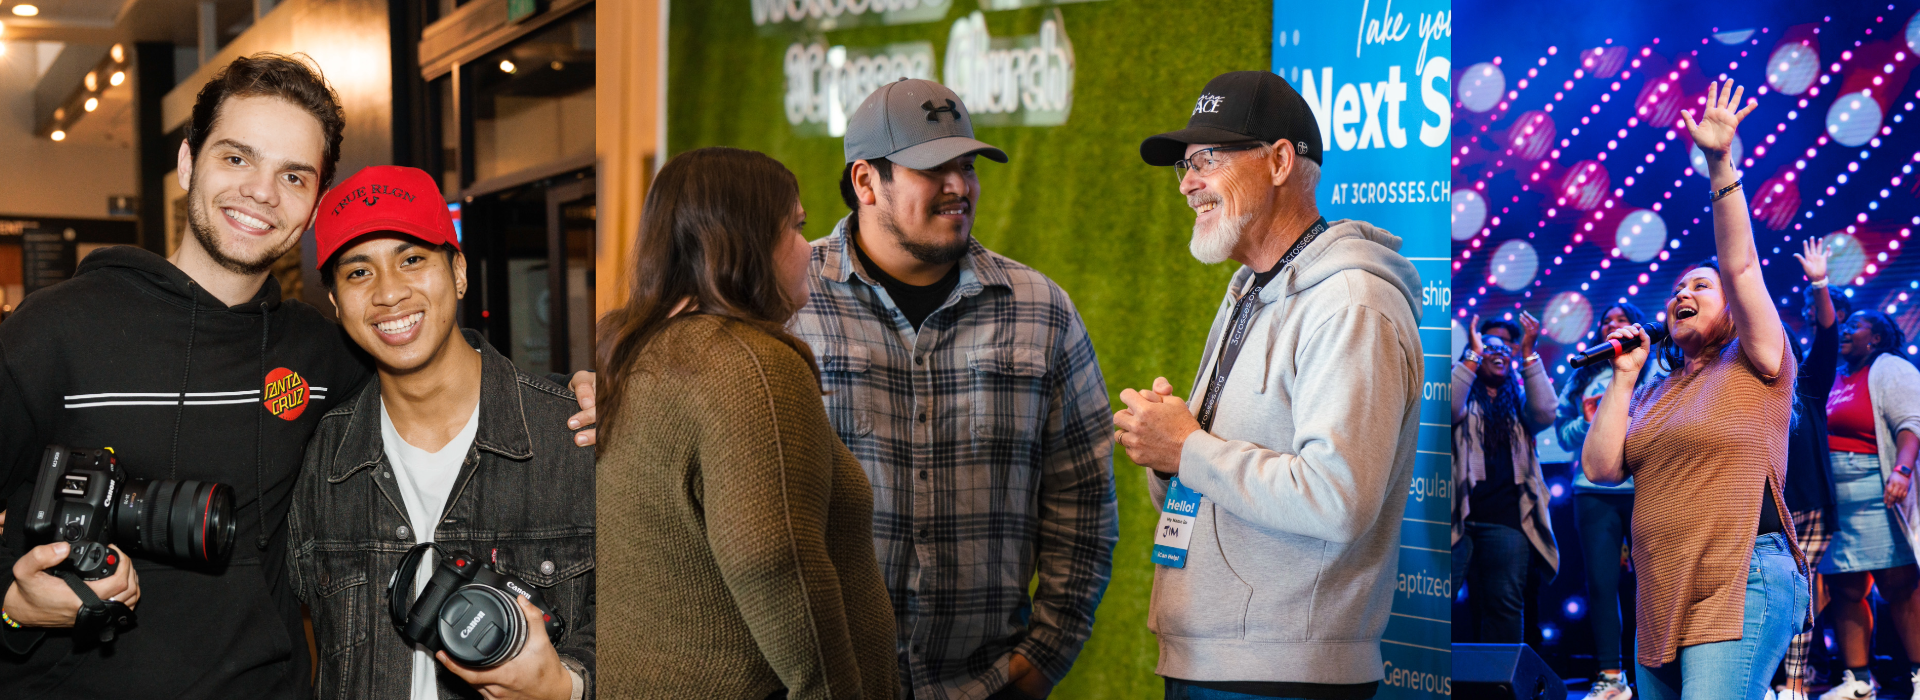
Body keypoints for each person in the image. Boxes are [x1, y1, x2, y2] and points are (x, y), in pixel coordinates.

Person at [0, 54, 595, 699]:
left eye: (293, 175)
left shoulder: (320, 353)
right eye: (237, 158)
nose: (262, 192)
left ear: (314, 203)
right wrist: (12, 606)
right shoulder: (55, 333)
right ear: (187, 162)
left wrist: (588, 395)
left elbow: (437, 367)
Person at [788, 79, 1118, 700]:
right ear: (866, 181)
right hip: (825, 683)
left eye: (967, 166)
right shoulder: (786, 297)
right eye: (932, 168)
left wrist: (1045, 656)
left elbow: (1083, 497)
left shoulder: (1041, 308)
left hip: (986, 684)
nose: (959, 187)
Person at [1115, 70, 1425, 700]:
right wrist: (1170, 453)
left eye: (1207, 159)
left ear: (1280, 161)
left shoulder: (1351, 303)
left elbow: (1337, 499)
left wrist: (1188, 448)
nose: (1188, 183)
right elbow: (1215, 478)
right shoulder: (1250, 290)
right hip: (1215, 660)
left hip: (1281, 675)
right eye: (1184, 165)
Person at [596, 147, 897, 699]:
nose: (809, 249)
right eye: (796, 227)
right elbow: (773, 560)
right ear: (747, 240)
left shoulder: (636, 351)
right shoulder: (751, 365)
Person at [287, 166, 595, 700]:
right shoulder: (317, 462)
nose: (389, 292)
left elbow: (651, 618)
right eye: (358, 272)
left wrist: (567, 686)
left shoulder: (575, 436)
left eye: (412, 260)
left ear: (458, 271)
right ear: (335, 304)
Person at [1581, 79, 1808, 700]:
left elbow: (1740, 266)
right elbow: (1601, 468)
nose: (1683, 293)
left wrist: (1719, 162)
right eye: (1677, 288)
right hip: (1660, 591)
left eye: (1700, 287)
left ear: (1734, 307)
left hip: (1741, 576)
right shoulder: (1654, 389)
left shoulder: (1757, 360)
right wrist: (1624, 375)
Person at [1815, 307, 1920, 700]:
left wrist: (1902, 471)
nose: (1844, 331)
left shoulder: (1891, 368)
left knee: (1898, 584)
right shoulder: (1836, 375)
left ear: (1875, 338)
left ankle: (1919, 675)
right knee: (1845, 587)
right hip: (1836, 498)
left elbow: (1912, 423)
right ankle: (1858, 682)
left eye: (1854, 326)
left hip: (1878, 489)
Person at [1556, 302, 1652, 700]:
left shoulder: (1656, 367)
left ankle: (1654, 675)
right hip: (1592, 492)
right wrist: (1588, 420)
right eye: (1605, 321)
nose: (1611, 325)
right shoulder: (1583, 375)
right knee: (1600, 584)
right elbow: (1563, 436)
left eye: (1621, 320)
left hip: (1645, 486)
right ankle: (1611, 678)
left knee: (1654, 584)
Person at [1453, 312, 1561, 644]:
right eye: (1489, 347)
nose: (1499, 352)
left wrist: (1529, 353)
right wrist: (1473, 356)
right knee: (1436, 602)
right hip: (1457, 517)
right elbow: (1448, 409)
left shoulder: (1519, 400)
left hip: (1507, 520)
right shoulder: (1462, 390)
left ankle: (1501, 678)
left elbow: (1546, 412)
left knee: (1504, 609)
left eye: (1505, 349)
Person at [1772, 241, 1844, 700]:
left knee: (1800, 593)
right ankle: (1764, 681)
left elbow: (1828, 334)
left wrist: (1819, 283)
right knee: (1766, 596)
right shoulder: (1743, 390)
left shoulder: (1810, 382)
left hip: (1810, 504)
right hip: (1762, 507)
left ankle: (1794, 684)